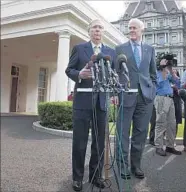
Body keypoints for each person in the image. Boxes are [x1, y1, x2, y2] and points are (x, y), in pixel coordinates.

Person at [65, 19, 115, 191]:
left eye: (100, 28)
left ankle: (96, 176)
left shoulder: (110, 52)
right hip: (82, 102)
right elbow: (69, 70)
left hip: (101, 103)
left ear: (103, 32)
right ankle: (77, 178)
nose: (97, 30)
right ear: (89, 31)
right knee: (80, 142)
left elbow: (114, 75)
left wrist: (114, 93)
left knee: (99, 142)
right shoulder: (79, 49)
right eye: (94, 27)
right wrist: (80, 74)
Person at [114, 18, 157, 180]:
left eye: (134, 28)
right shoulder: (119, 49)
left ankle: (136, 165)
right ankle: (123, 165)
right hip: (125, 96)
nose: (131, 30)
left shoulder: (149, 49)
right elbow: (116, 74)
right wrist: (116, 94)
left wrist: (152, 91)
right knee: (123, 133)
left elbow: (153, 74)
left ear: (142, 30)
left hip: (145, 98)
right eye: (129, 28)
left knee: (140, 133)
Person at [154, 63, 182, 156]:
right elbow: (160, 82)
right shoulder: (157, 72)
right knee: (161, 123)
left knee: (172, 124)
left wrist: (173, 73)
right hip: (161, 98)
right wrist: (163, 70)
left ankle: (170, 146)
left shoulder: (168, 72)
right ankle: (159, 146)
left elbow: (178, 83)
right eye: (167, 64)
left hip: (170, 98)